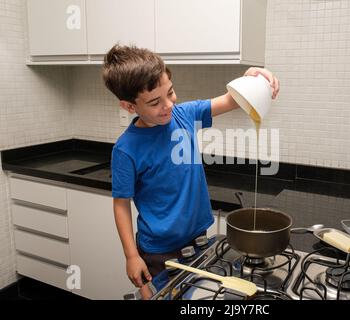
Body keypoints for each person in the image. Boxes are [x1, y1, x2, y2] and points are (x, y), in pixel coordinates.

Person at [102, 44, 280, 299]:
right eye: (155, 102)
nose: (168, 105)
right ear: (129, 106)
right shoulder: (126, 150)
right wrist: (131, 256)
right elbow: (121, 204)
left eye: (170, 92)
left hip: (198, 239)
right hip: (158, 252)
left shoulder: (185, 115)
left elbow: (233, 99)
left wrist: (253, 79)